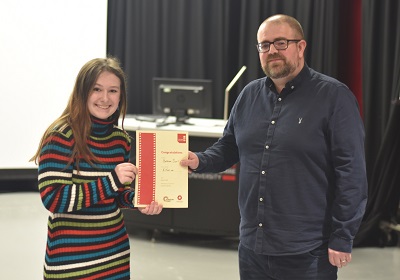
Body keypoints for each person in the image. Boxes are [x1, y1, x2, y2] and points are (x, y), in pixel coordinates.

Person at [180, 14, 367, 279]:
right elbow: (229, 147)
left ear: (301, 47)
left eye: (281, 43)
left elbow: (352, 174)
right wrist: (199, 160)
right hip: (252, 247)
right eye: (264, 45)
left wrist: (342, 237)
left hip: (307, 250)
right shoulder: (248, 95)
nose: (272, 51)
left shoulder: (334, 97)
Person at [31, 57, 163, 279]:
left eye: (113, 91)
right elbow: (54, 199)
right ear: (82, 92)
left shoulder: (121, 140)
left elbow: (117, 195)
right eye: (97, 89)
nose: (105, 98)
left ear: (120, 96)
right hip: (70, 262)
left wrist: (137, 200)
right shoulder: (60, 136)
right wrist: (111, 180)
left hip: (114, 258)